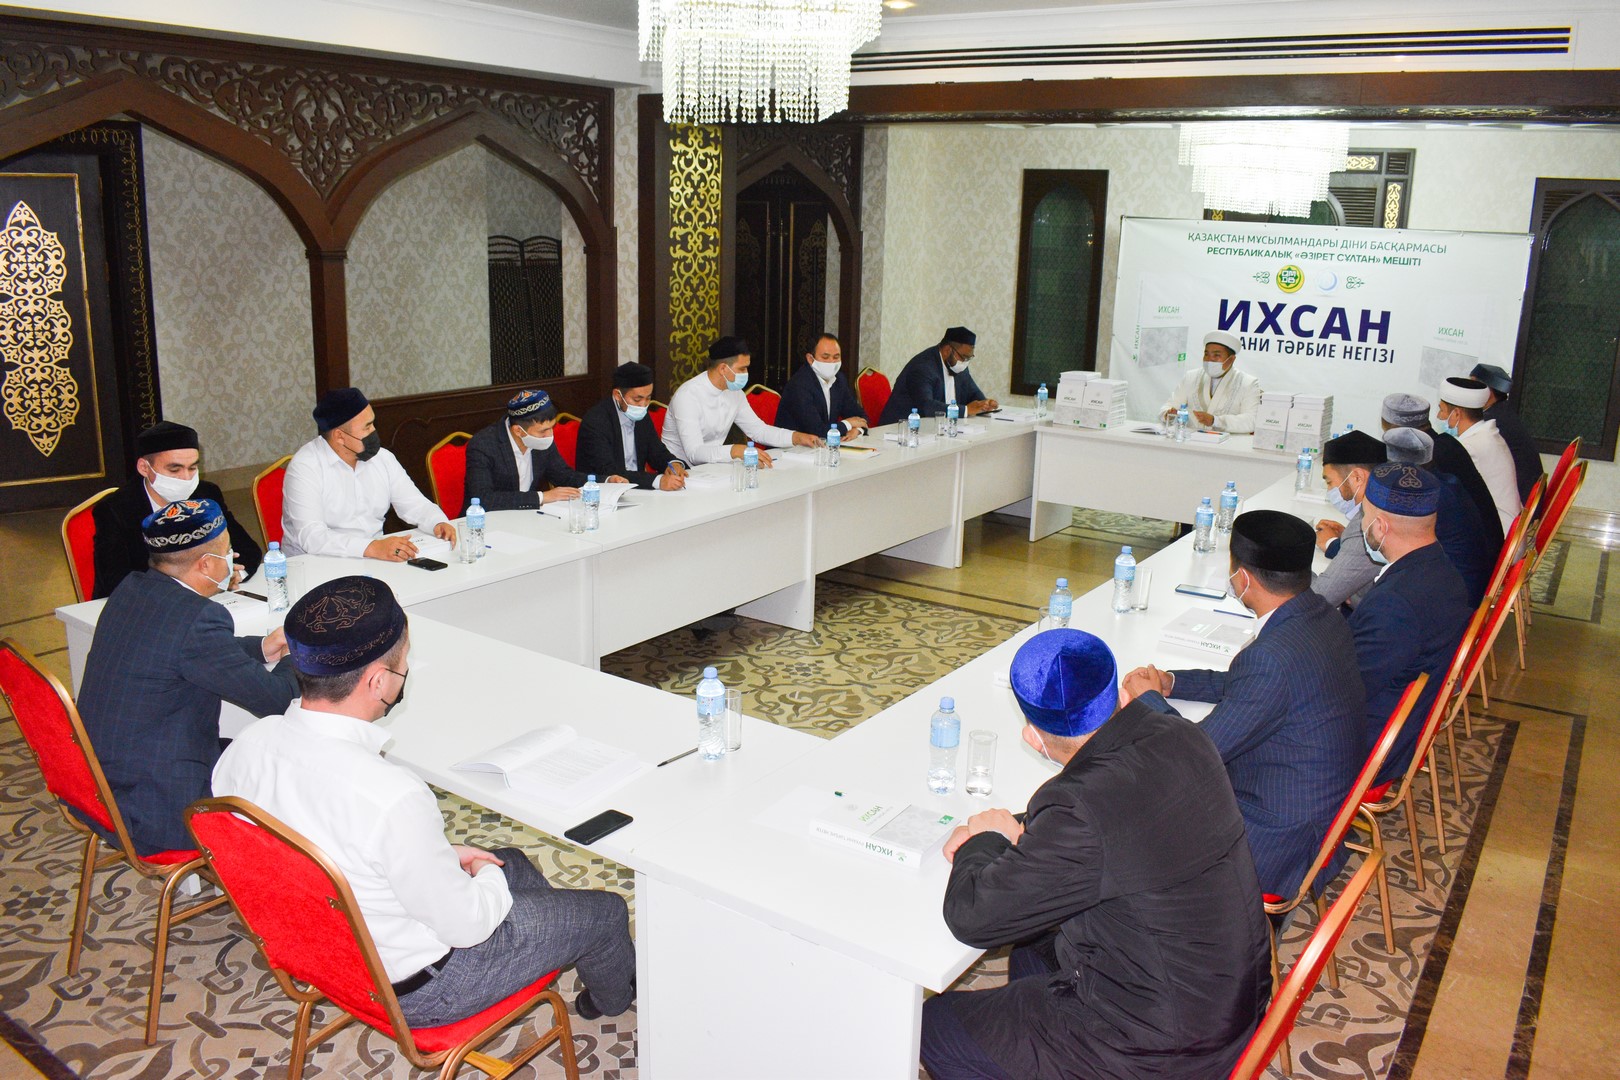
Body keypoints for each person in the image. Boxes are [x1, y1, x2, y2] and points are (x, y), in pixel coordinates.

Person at [213, 576, 636, 1027]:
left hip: (326, 953)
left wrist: (448, 858)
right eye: (403, 663)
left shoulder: (247, 745)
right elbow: (468, 926)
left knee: (512, 861)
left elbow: (318, 845)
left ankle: (549, 943)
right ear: (378, 681)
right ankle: (613, 999)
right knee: (605, 911)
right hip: (423, 987)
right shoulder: (391, 795)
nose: (406, 671)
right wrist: (485, 874)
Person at [920, 629, 1269, 1080]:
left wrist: (983, 839)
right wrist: (1015, 827)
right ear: (1118, 694)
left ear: (1033, 736)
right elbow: (1113, 819)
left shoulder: (1078, 806)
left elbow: (973, 919)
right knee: (1031, 951)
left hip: (1166, 1048)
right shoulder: (1181, 734)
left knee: (935, 1027)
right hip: (1231, 1002)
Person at [1120, 511, 1365, 902]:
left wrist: (1147, 700)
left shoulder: (1271, 659)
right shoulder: (1321, 616)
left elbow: (1193, 755)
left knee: (1131, 807)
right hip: (1315, 811)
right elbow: (1251, 686)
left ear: (1244, 578)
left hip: (1273, 841)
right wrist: (1173, 682)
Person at [75, 499, 297, 856]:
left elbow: (180, 647)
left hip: (99, 785)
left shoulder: (131, 589)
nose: (232, 559)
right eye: (227, 552)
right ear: (205, 564)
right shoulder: (199, 618)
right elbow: (277, 699)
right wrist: (295, 652)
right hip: (159, 807)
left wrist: (262, 648)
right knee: (289, 763)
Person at [1347, 464, 1473, 785]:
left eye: (1364, 515)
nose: (1362, 523)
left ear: (1380, 526)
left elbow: (1340, 692)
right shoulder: (1444, 571)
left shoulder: (1394, 605)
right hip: (1400, 727)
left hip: (1363, 747)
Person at [91, 421, 263, 599]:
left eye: (193, 468)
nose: (186, 478)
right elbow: (115, 580)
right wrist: (196, 585)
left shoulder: (206, 494)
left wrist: (233, 575)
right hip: (142, 604)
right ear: (144, 468)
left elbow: (249, 550)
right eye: (174, 470)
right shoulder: (115, 509)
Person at [282, 387, 457, 562]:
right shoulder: (305, 466)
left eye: (373, 423)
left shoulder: (382, 458)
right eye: (367, 427)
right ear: (340, 436)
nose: (374, 431)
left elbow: (414, 504)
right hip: (314, 564)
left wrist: (437, 522)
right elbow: (312, 536)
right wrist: (371, 547)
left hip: (374, 559)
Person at [662, 336, 820, 466]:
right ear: (723, 369)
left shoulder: (734, 392)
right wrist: (735, 451)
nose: (746, 373)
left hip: (713, 467)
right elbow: (694, 453)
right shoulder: (688, 396)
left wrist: (796, 437)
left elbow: (758, 430)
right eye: (742, 369)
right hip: (680, 472)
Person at [1380, 392, 1504, 556]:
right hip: (1484, 548)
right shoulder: (1446, 443)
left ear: (1394, 430)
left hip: (1471, 559)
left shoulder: (1427, 458)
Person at [1383, 427, 1497, 606]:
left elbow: (1397, 550)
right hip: (1467, 583)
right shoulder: (1444, 482)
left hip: (1457, 599)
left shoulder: (1428, 498)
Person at [464, 389, 628, 513]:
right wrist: (543, 497)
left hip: (526, 519)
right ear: (518, 431)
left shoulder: (542, 440)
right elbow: (483, 498)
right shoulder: (483, 445)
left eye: (552, 428)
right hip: (487, 524)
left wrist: (605, 481)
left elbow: (564, 476)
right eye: (543, 431)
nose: (550, 435)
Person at [575, 363, 689, 490]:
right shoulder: (596, 421)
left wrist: (672, 464)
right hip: (602, 492)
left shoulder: (641, 414)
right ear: (617, 395)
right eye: (637, 399)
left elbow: (657, 451)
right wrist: (657, 481)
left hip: (638, 489)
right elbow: (609, 471)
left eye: (648, 398)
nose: (643, 405)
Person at [1310, 429, 1386, 610]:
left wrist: (1287, 564)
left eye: (1329, 482)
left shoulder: (1369, 523)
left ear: (1357, 478)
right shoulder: (1386, 506)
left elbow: (1320, 597)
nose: (1330, 491)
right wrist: (1346, 538)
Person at [1436, 376, 1521, 534]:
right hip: (1505, 526)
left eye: (1442, 410)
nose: (1438, 417)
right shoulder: (1488, 435)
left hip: (1497, 532)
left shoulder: (1470, 447)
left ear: (1456, 414)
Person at [878, 327, 999, 425]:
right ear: (947, 350)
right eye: (963, 357)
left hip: (937, 428)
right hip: (901, 429)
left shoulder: (958, 365)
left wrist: (985, 404)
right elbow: (926, 405)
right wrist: (965, 410)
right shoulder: (923, 367)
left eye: (969, 358)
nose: (965, 362)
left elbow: (973, 393)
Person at [1158, 329, 1263, 433]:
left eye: (1216, 355)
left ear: (1231, 359)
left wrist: (1215, 421)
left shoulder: (1248, 383)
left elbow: (1251, 420)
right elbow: (1169, 407)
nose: (1209, 360)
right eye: (1206, 354)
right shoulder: (1191, 377)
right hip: (1191, 440)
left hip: (1228, 442)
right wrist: (1168, 415)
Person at [774, 332, 870, 439]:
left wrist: (857, 430)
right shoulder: (799, 385)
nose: (831, 362)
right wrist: (848, 424)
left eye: (836, 357)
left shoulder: (839, 380)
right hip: (793, 447)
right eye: (825, 357)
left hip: (823, 445)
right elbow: (817, 430)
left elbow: (860, 415)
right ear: (810, 359)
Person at [1470, 363, 1542, 502]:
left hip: (1516, 501)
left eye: (1472, 386)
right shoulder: (1502, 412)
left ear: (1488, 393)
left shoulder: (1492, 423)